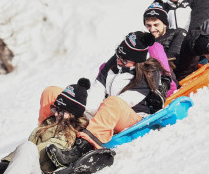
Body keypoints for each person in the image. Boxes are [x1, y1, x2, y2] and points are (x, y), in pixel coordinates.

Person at [47, 32, 169, 166]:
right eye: (118, 55)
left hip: (131, 118)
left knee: (113, 101)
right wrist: (75, 106)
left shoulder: (149, 73)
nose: (118, 61)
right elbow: (97, 90)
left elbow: (122, 102)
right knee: (52, 93)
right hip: (106, 113)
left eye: (124, 60)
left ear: (137, 62)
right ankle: (47, 134)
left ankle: (82, 148)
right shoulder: (115, 63)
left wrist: (81, 111)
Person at [143, 4, 180, 96]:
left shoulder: (176, 33)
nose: (152, 29)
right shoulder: (147, 39)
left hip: (177, 67)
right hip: (154, 73)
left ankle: (167, 86)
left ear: (165, 24)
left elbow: (177, 52)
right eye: (148, 25)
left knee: (154, 46)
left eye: (156, 25)